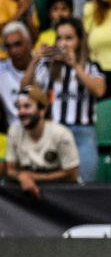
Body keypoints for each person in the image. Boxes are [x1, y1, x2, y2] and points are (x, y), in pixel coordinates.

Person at [21, 17, 105, 182]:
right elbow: (25, 89)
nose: (63, 43)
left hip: (83, 133)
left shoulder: (91, 66)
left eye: (69, 38)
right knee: (54, 186)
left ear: (80, 41)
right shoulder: (47, 66)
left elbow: (99, 90)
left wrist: (75, 66)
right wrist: (35, 60)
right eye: (59, 38)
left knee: (84, 184)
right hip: (54, 133)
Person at [5, 85, 79, 197]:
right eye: (19, 107)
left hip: (61, 194)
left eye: (27, 106)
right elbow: (10, 169)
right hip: (28, 191)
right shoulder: (14, 131)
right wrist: (20, 176)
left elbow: (72, 174)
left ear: (42, 110)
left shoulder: (61, 133)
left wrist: (33, 177)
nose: (21, 112)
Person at [0, 21, 34, 121]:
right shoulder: (1, 70)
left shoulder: (45, 66)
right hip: (13, 131)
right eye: (8, 46)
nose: (13, 51)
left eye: (18, 44)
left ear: (29, 43)